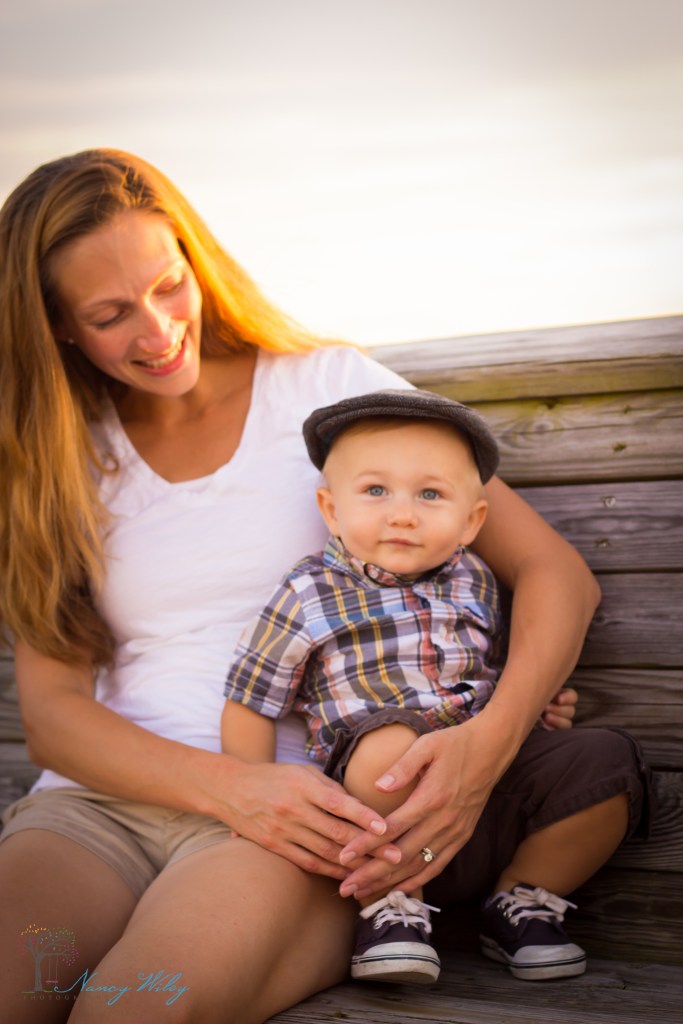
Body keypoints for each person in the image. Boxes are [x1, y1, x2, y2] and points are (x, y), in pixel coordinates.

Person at [0, 148, 648, 1024]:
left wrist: (485, 746)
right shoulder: (55, 462)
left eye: (167, 286)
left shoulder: (328, 390)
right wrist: (225, 784)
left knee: (127, 1012)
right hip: (93, 813)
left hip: (304, 822)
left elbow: (551, 573)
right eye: (110, 314)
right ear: (58, 329)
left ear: (199, 264)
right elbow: (54, 715)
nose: (156, 331)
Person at [222, 388, 506, 984]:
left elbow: (485, 670)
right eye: (376, 491)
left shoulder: (476, 583)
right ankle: (391, 907)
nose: (402, 513)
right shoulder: (310, 592)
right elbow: (251, 697)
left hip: (482, 784)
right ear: (330, 509)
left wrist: (537, 710)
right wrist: (250, 794)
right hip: (377, 799)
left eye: (430, 494)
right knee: (390, 746)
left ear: (471, 520)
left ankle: (522, 903)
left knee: (603, 760)